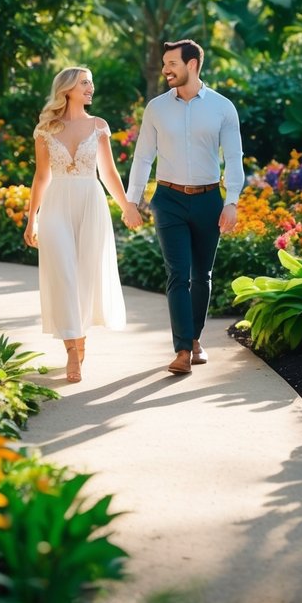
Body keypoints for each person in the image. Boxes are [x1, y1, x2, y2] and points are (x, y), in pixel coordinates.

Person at [126, 39, 244, 375]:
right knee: (177, 274)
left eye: (172, 63)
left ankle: (195, 341)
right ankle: (181, 350)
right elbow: (143, 156)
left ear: (192, 64)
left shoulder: (223, 108)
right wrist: (132, 201)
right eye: (164, 63)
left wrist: (231, 201)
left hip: (208, 199)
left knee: (202, 275)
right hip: (169, 200)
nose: (165, 70)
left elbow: (234, 158)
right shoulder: (156, 108)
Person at [24, 66, 143, 383]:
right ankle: (72, 353)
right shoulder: (46, 129)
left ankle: (80, 337)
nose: (91, 87)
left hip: (91, 205)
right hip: (56, 207)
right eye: (84, 83)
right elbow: (41, 177)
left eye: (91, 82)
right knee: (63, 276)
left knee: (86, 278)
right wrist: (31, 218)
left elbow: (109, 174)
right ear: (67, 90)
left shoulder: (99, 126)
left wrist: (127, 207)